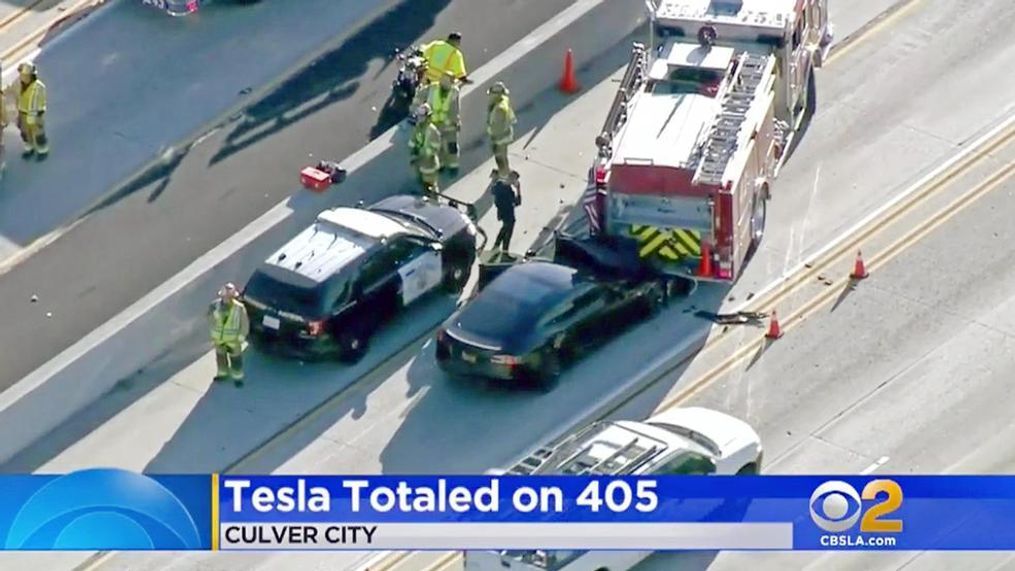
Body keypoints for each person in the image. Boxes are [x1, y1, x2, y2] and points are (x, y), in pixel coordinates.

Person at [208, 282, 250, 386]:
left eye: (228, 297)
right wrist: (213, 331)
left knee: (236, 361)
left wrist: (240, 338)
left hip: (233, 341)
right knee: (220, 359)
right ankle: (222, 374)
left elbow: (244, 324)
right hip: (219, 340)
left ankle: (237, 378)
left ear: (232, 297)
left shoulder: (239, 308)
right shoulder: (214, 305)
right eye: (224, 296)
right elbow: (208, 319)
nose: (226, 299)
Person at [423, 73, 462, 173]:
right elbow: (423, 95)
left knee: (451, 147)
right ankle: (441, 165)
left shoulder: (454, 92)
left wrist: (455, 122)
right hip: (435, 123)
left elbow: (455, 108)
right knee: (437, 146)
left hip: (449, 125)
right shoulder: (434, 88)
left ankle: (453, 166)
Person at [15, 62, 48, 160]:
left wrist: (32, 115)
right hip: (23, 113)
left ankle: (42, 150)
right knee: (25, 133)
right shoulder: (20, 84)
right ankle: (29, 147)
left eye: (24, 75)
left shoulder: (38, 87)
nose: (22, 77)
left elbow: (36, 102)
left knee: (38, 134)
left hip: (36, 114)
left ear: (31, 76)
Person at [408, 104, 442, 195]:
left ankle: (435, 202)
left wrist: (421, 158)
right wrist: (413, 152)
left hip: (429, 165)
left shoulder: (432, 131)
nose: (419, 118)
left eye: (421, 116)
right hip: (420, 164)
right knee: (423, 185)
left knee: (431, 187)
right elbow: (413, 141)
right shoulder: (418, 128)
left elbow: (434, 149)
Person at [486, 82, 516, 177]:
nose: (490, 96)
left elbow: (497, 128)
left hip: (500, 138)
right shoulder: (503, 101)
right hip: (505, 134)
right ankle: (505, 171)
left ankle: (504, 175)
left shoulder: (499, 109)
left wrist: (495, 140)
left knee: (500, 157)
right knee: (503, 155)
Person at [491, 170, 521, 251]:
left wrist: (518, 189)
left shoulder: (510, 190)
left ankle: (500, 249)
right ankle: (499, 248)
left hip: (510, 213)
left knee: (506, 231)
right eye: (513, 179)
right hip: (505, 213)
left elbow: (518, 202)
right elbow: (493, 192)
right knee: (506, 231)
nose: (514, 181)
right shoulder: (500, 185)